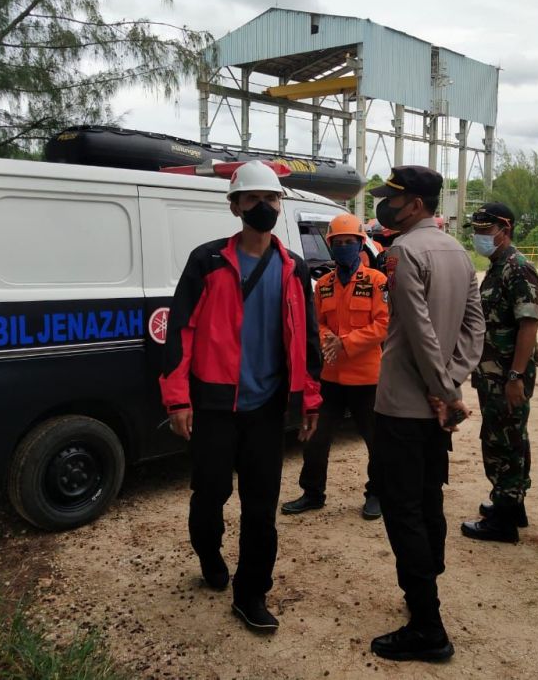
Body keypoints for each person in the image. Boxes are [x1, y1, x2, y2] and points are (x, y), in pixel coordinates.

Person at [160, 160, 322, 632]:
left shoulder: (294, 267)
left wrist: (310, 400)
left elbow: (308, 340)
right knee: (209, 495)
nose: (263, 207)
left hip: (267, 409)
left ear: (280, 204)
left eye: (270, 199)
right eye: (252, 199)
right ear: (235, 206)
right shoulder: (207, 261)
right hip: (213, 406)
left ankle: (251, 593)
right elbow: (180, 332)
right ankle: (209, 556)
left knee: (261, 508)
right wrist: (177, 399)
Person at [367, 165, 485, 662]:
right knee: (428, 500)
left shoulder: (404, 251)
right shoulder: (458, 251)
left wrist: (442, 390)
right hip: (437, 408)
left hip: (404, 407)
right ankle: (423, 593)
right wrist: (452, 382)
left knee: (404, 510)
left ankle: (428, 627)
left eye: (393, 200)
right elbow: (473, 326)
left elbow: (416, 330)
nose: (385, 207)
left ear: (415, 204)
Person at [281, 213, 389, 519]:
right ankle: (312, 493)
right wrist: (329, 339)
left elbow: (384, 324)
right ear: (330, 246)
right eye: (337, 243)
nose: (343, 247)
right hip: (330, 377)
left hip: (367, 378)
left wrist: (346, 342)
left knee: (376, 441)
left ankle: (377, 494)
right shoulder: (324, 285)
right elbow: (318, 322)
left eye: (349, 242)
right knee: (315, 438)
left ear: (360, 245)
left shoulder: (377, 281)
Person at [460, 202, 538, 544]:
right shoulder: (497, 266)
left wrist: (515, 376)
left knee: (502, 441)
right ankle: (511, 503)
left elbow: (529, 321)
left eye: (484, 231)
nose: (479, 237)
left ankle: (503, 521)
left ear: (504, 230)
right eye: (476, 231)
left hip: (505, 375)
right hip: (495, 371)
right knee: (510, 436)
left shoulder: (517, 267)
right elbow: (511, 321)